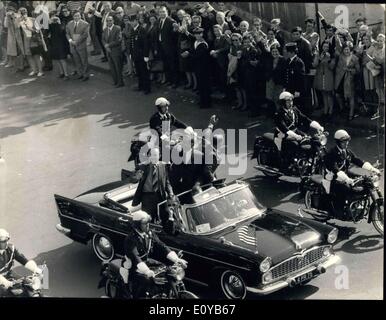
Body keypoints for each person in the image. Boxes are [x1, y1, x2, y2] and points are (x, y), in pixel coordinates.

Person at [123, 210, 187, 298]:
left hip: (147, 262)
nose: (148, 225)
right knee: (146, 281)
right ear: (137, 225)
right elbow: (135, 257)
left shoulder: (149, 234)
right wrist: (146, 271)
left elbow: (162, 246)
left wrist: (177, 259)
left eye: (148, 222)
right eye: (145, 223)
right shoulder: (131, 239)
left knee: (168, 272)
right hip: (133, 266)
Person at [323, 130, 380, 213]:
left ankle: (357, 203)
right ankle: (341, 211)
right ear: (338, 142)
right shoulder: (332, 153)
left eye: (347, 141)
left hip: (344, 174)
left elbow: (358, 161)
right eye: (344, 141)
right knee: (347, 188)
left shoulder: (347, 152)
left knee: (364, 180)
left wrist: (372, 169)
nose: (346, 143)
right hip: (332, 178)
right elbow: (336, 170)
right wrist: (347, 179)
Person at [274, 91, 324, 160]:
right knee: (293, 146)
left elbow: (305, 119)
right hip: (282, 136)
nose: (291, 103)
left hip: (295, 132)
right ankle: (286, 167)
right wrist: (296, 136)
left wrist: (318, 127)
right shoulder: (279, 114)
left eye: (291, 101)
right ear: (283, 103)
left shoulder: (294, 110)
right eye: (288, 102)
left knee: (310, 140)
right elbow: (284, 129)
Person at [132, 147, 175, 222]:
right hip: (147, 197)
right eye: (152, 155)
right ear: (149, 156)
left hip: (160, 196)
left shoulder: (163, 166)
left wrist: (171, 193)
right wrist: (136, 177)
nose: (154, 157)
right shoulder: (142, 166)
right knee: (148, 219)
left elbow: (167, 182)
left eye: (156, 155)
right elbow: (133, 179)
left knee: (164, 217)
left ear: (159, 155)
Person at [0, 228, 43, 295]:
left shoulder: (11, 249)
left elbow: (23, 260)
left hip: (9, 274)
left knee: (29, 285)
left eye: (7, 240)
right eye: (3, 241)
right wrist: (6, 282)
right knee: (7, 293)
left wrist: (35, 269)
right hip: (1, 280)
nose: (6, 243)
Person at [334, 41, 360, 121]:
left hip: (349, 80)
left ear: (350, 49)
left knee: (351, 96)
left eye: (348, 49)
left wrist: (349, 70)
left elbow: (358, 70)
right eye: (345, 49)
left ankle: (351, 113)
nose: (346, 51)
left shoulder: (355, 58)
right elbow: (338, 68)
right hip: (340, 79)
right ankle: (343, 108)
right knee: (338, 95)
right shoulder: (341, 57)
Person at [312, 41, 336, 121]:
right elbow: (314, 65)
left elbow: (332, 67)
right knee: (323, 94)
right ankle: (325, 110)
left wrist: (329, 59)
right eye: (324, 47)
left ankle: (331, 111)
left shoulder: (332, 56)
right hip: (321, 77)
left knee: (329, 94)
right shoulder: (319, 54)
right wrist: (319, 59)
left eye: (327, 47)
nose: (325, 49)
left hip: (328, 77)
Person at [128, 14, 150, 94]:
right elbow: (131, 42)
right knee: (138, 72)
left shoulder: (141, 29)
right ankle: (141, 86)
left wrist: (146, 55)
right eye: (130, 21)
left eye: (132, 21)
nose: (131, 23)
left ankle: (147, 88)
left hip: (141, 55)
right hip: (135, 55)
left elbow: (145, 44)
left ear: (137, 21)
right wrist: (131, 53)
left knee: (144, 72)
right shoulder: (133, 29)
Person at [157, 6, 179, 88]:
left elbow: (174, 35)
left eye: (163, 11)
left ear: (167, 12)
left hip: (170, 48)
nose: (162, 13)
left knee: (172, 65)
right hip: (162, 47)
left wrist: (174, 30)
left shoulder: (171, 21)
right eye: (160, 12)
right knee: (166, 65)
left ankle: (175, 82)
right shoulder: (159, 21)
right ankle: (169, 80)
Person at [66, 11, 90, 81]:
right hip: (72, 45)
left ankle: (86, 75)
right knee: (77, 60)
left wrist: (76, 42)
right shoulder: (69, 24)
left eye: (78, 15)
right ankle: (80, 74)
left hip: (81, 45)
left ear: (80, 16)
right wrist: (70, 41)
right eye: (75, 16)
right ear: (73, 16)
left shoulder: (85, 24)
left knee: (84, 60)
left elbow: (85, 35)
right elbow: (67, 33)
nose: (77, 17)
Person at [283, 42, 306, 114]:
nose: (286, 53)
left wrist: (298, 90)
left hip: (295, 89)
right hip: (289, 88)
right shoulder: (288, 61)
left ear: (292, 52)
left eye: (287, 52)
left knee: (296, 106)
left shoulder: (298, 62)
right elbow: (286, 75)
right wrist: (285, 87)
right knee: (289, 106)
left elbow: (300, 78)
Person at [192, 27, 212, 109]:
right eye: (196, 34)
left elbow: (198, 56)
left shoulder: (203, 44)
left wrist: (189, 55)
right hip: (198, 67)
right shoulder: (196, 42)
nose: (197, 35)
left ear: (202, 34)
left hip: (204, 68)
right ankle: (202, 100)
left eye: (198, 34)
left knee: (205, 85)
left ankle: (206, 103)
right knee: (200, 85)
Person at [102, 15, 124, 88]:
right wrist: (106, 45)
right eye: (107, 21)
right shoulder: (105, 30)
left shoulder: (117, 28)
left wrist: (108, 45)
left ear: (113, 21)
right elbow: (103, 39)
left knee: (118, 67)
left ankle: (120, 82)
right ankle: (115, 81)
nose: (109, 22)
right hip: (108, 51)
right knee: (112, 67)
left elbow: (118, 40)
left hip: (116, 51)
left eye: (110, 20)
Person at [265, 43, 286, 113]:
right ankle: (273, 113)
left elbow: (284, 72)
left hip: (279, 82)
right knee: (270, 98)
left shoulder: (283, 60)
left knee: (278, 98)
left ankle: (280, 113)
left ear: (279, 51)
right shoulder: (269, 59)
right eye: (273, 52)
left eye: (276, 51)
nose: (274, 53)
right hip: (270, 81)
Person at [49, 14, 70, 80]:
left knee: (59, 60)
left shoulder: (51, 27)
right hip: (60, 45)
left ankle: (64, 74)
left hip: (56, 45)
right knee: (61, 59)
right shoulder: (61, 26)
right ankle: (64, 74)